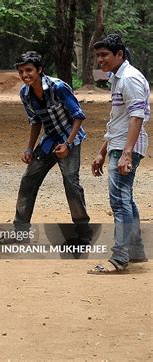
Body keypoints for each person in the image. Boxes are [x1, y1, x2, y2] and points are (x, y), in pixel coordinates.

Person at [0, 51, 91, 244]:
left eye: (29, 70)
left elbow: (78, 116)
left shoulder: (58, 87)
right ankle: (21, 233)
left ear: (39, 70)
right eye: (21, 71)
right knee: (28, 182)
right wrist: (29, 148)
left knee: (71, 185)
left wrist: (67, 144)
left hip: (69, 140)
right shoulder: (25, 93)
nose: (25, 75)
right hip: (49, 141)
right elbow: (35, 121)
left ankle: (83, 234)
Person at [89, 34, 149, 274]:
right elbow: (118, 120)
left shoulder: (130, 78)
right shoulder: (118, 78)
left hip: (127, 146)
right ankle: (134, 251)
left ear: (119, 54)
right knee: (127, 199)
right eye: (98, 55)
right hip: (119, 144)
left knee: (120, 200)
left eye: (104, 55)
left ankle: (119, 259)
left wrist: (126, 153)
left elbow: (137, 117)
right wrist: (102, 151)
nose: (100, 60)